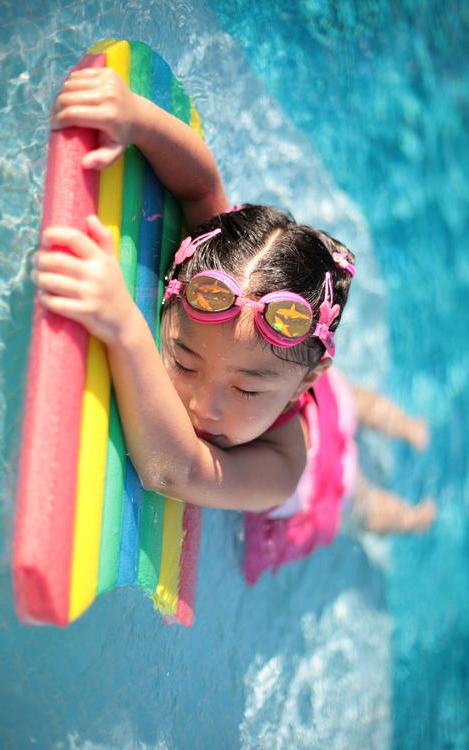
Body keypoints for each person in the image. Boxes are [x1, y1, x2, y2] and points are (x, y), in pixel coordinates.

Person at [31, 66, 435, 582]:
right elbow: (202, 184)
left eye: (243, 391)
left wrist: (124, 326)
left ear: (304, 382)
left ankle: (411, 504)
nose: (204, 405)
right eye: (183, 359)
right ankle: (391, 424)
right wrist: (135, 117)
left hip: (322, 483)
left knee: (361, 502)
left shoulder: (282, 470)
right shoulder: (235, 303)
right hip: (300, 392)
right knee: (350, 402)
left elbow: (175, 470)